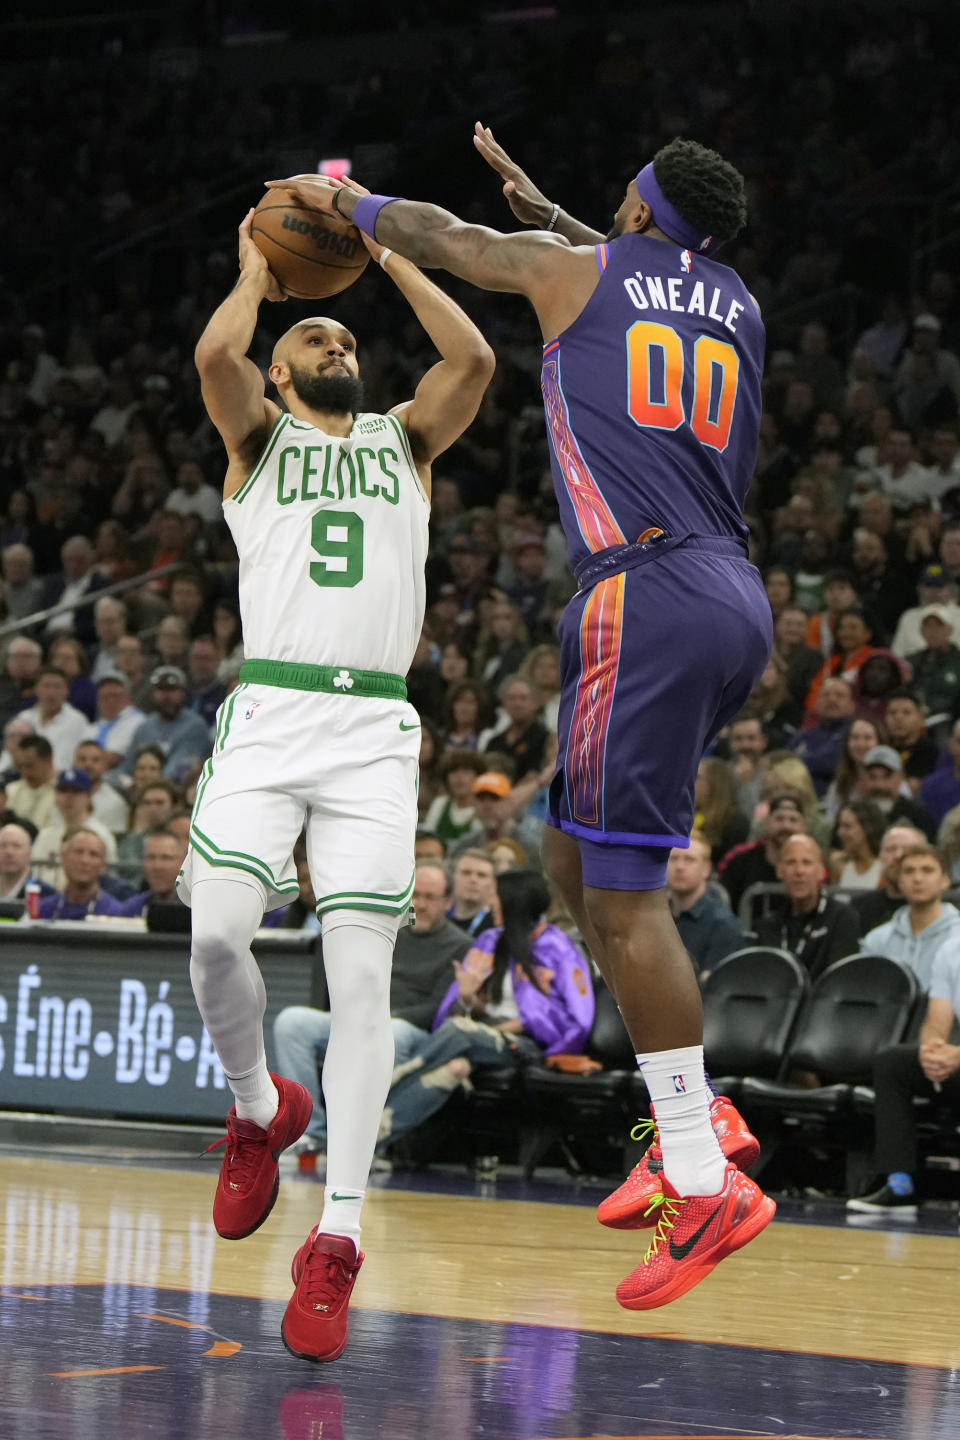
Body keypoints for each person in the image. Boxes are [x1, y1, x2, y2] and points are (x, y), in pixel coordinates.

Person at [270, 129, 778, 1306]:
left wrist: (352, 200)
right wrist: (561, 213)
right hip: (728, 597)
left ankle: (702, 1181)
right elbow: (624, 265)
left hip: (641, 595)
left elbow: (455, 243)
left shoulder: (578, 273)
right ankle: (693, 1114)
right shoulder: (737, 300)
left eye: (615, 204)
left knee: (622, 895)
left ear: (642, 216)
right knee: (563, 849)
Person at [179, 202, 494, 1363]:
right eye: (318, 342)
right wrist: (260, 274)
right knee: (216, 940)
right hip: (271, 714)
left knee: (361, 989)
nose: (340, 349)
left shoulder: (406, 441)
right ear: (281, 366)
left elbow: (475, 357)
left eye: (345, 340)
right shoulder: (257, 440)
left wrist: (391, 255)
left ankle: (338, 1237)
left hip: (371, 734)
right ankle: (260, 1109)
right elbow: (215, 356)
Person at [379, 867, 594, 1149]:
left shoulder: (558, 948)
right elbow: (456, 1012)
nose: (491, 903)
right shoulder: (489, 941)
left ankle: (389, 1085)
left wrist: (510, 1025)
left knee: (459, 1031)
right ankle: (377, 1142)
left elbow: (576, 1016)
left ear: (514, 901)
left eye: (496, 896)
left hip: (527, 1046)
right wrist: (467, 998)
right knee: (454, 1067)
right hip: (475, 1036)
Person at [272, 860, 472, 1155]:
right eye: (416, 895)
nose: (421, 904)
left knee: (392, 1032)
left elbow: (440, 1009)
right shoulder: (386, 930)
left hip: (414, 1031)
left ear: (447, 902)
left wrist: (383, 1017)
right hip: (362, 1017)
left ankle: (359, 1139)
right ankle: (309, 1132)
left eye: (430, 897)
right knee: (292, 1023)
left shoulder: (462, 945)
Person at [847, 935, 960, 1215]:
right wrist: (931, 1052)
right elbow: (936, 1021)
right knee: (894, 1063)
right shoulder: (951, 949)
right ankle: (900, 1185)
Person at [754, 834, 860, 980]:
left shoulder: (842, 918)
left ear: (821, 871)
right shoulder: (768, 925)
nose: (799, 871)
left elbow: (840, 980)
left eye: (807, 863)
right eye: (791, 862)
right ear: (780, 870)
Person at [862, 843, 960, 989]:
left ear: (945, 881)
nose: (918, 878)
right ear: (900, 882)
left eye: (927, 870)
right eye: (909, 871)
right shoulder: (877, 939)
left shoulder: (957, 935)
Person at [667, 833, 745, 980]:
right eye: (673, 859)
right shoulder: (654, 918)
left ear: (706, 869)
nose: (679, 867)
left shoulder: (723, 924)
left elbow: (715, 990)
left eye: (689, 859)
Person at [717, 793, 807, 917]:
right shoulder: (738, 858)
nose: (786, 826)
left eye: (793, 820)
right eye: (779, 819)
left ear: (804, 826)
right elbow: (720, 903)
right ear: (767, 823)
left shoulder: (815, 864)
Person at [31, 767, 118, 889]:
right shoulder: (46, 834)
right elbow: (34, 873)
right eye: (63, 791)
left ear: (88, 797)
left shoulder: (101, 835)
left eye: (76, 792)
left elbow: (107, 877)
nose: (68, 797)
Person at [122, 666, 212, 783]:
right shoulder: (144, 727)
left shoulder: (195, 726)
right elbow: (127, 767)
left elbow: (179, 769)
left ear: (182, 693)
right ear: (153, 694)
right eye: (161, 689)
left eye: (172, 689)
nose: (166, 696)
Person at [446, 770, 543, 864]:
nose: (487, 805)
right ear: (473, 804)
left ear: (509, 803)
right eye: (481, 799)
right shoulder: (463, 847)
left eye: (495, 798)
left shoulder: (530, 849)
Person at [850, 824, 927, 933]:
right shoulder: (858, 908)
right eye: (891, 849)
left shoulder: (939, 911)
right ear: (880, 857)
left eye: (907, 849)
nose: (898, 855)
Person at [35, 827, 125, 920]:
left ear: (103, 865)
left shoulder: (117, 914)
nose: (84, 860)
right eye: (78, 852)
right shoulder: (41, 910)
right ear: (63, 857)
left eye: (93, 854)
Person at [18, 666, 90, 771]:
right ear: (36, 689)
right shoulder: (24, 718)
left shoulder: (77, 721)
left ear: (67, 691)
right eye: (46, 686)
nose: (51, 692)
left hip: (60, 780)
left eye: (57, 687)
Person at [862, 745, 937, 839]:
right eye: (872, 777)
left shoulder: (918, 817)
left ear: (901, 778)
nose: (879, 785)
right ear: (863, 779)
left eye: (887, 776)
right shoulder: (854, 816)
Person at [115, 826, 190, 916]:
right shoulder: (131, 909)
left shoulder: (197, 908)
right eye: (150, 857)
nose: (157, 866)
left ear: (183, 862)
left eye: (166, 858)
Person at [884, 688, 939, 790]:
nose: (898, 718)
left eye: (906, 712)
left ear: (921, 718)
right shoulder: (881, 747)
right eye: (892, 712)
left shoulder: (929, 751)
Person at [829, 798, 885, 890]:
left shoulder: (884, 868)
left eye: (847, 826)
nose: (840, 832)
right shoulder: (837, 863)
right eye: (840, 826)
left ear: (867, 829)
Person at [4, 734, 57, 831]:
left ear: (48, 760)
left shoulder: (65, 792)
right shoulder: (11, 790)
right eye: (20, 767)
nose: (25, 772)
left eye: (30, 766)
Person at [446, 848, 497, 937]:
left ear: (493, 885)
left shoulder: (496, 928)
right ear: (453, 878)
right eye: (466, 873)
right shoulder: (439, 919)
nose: (473, 880)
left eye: (481, 875)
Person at [0, 820, 55, 903]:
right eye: (3, 846)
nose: (9, 852)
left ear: (29, 853)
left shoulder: (47, 896)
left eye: (16, 846)